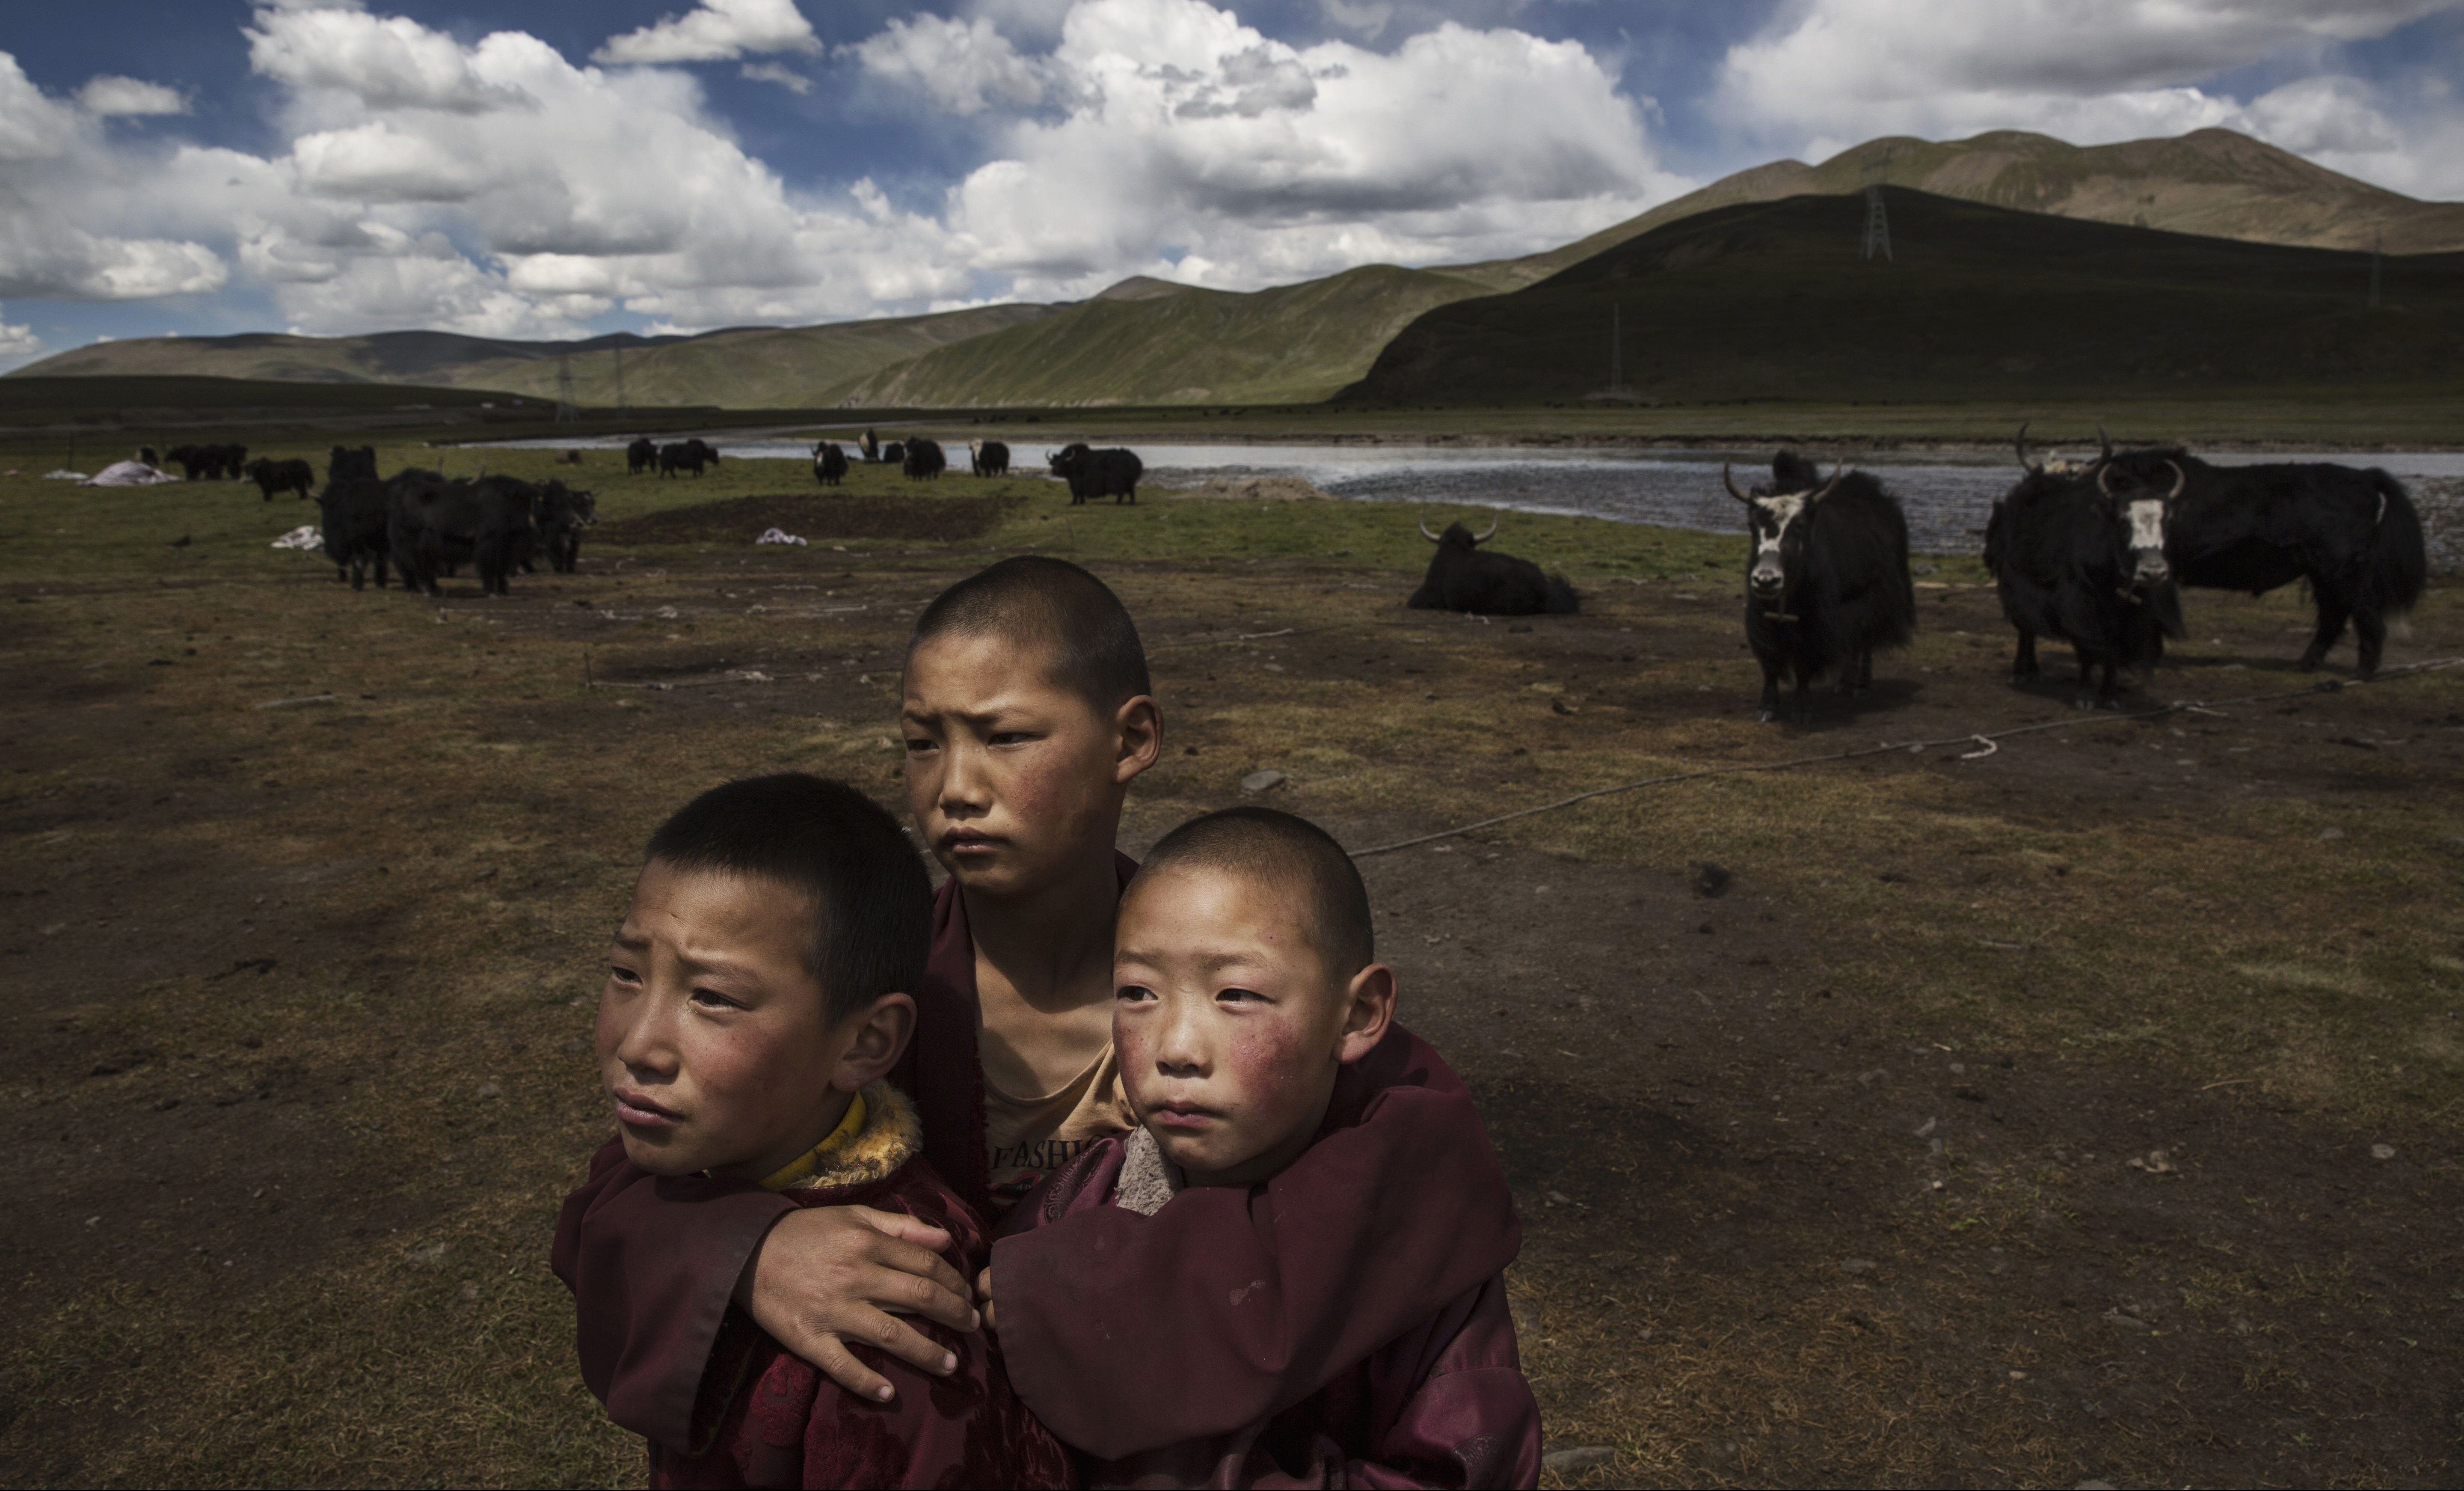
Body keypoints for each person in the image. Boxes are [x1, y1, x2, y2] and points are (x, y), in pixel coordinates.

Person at [555, 556, 1521, 1466]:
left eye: (1006, 737)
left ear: (1132, 739)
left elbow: (1410, 1188)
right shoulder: (871, 998)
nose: (954, 789)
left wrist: (1063, 1305)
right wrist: (751, 1248)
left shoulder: (1255, 995)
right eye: (921, 743)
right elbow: (626, 1183)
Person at [990, 806, 1539, 1486]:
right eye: (1137, 992)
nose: (1176, 1048)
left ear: (1360, 1014)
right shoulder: (1079, 1208)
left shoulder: (1416, 1250)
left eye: (1237, 994)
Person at [552, 775, 1067, 1488]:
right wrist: (745, 1249)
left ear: (865, 1044)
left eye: (713, 998)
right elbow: (599, 1211)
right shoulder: (707, 1154)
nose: (639, 1045)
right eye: (626, 974)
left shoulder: (891, 1325)